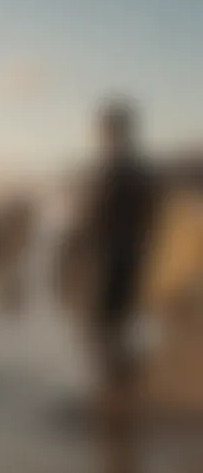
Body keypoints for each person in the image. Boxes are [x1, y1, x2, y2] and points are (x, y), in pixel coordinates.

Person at [66, 99, 160, 426]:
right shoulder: (140, 172)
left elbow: (89, 219)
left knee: (102, 326)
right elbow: (152, 219)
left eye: (105, 129)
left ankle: (119, 393)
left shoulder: (112, 172)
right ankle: (122, 389)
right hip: (130, 257)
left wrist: (76, 251)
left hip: (108, 258)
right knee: (114, 325)